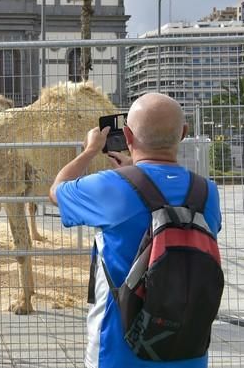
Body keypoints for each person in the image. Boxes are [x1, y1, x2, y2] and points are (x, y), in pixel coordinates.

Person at [49, 93, 221, 368]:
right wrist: (137, 172)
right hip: (189, 351)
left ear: (127, 136)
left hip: (118, 352)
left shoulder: (110, 186)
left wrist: (91, 149)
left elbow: (57, 191)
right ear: (184, 133)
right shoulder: (207, 192)